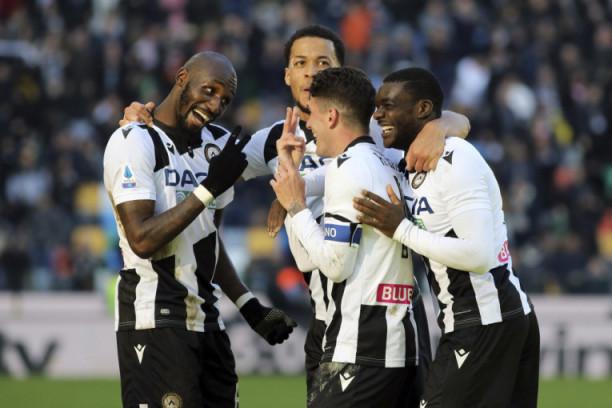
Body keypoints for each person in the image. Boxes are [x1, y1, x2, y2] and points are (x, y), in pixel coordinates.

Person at [118, 25, 469, 406]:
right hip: (327, 320)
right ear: (287, 74)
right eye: (301, 63)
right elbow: (204, 166)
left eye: (323, 63)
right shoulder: (273, 141)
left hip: (389, 314)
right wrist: (147, 121)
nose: (311, 72)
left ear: (340, 72)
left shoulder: (376, 129)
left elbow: (451, 121)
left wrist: (442, 126)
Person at [103, 51, 296, 408]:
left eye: (225, 100)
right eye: (209, 90)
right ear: (182, 78)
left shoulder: (218, 144)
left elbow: (207, 241)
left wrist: (249, 306)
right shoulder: (133, 141)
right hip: (155, 318)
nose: (215, 105)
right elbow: (141, 239)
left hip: (208, 321)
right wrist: (209, 188)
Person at [353, 67, 540, 408]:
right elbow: (457, 119)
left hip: (486, 319)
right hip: (483, 320)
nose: (378, 115)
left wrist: (401, 230)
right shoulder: (407, 159)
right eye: (377, 107)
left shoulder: (455, 159)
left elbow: (478, 255)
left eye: (388, 105)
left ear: (423, 109)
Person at [271, 65, 421, 407]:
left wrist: (296, 206)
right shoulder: (382, 161)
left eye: (312, 114)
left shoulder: (348, 170)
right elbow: (307, 258)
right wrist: (293, 178)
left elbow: (335, 266)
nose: (309, 125)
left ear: (332, 116)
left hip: (361, 346)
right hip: (397, 344)